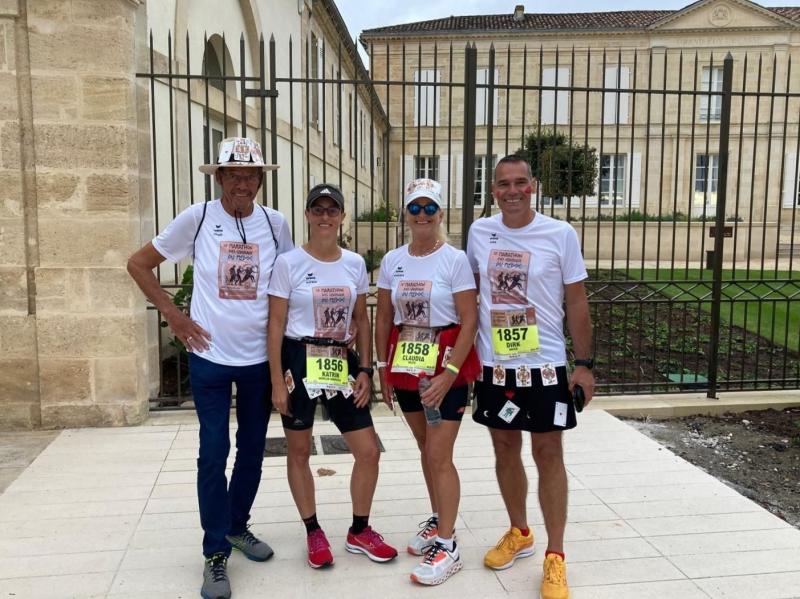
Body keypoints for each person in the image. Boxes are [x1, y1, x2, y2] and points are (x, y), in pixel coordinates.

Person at [127, 137, 293, 599]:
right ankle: (215, 553)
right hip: (210, 358)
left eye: (251, 176)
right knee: (213, 451)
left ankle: (237, 526)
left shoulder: (275, 224)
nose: (243, 183)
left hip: (259, 360)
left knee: (253, 451)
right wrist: (174, 316)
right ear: (219, 177)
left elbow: (288, 286)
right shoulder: (197, 218)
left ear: (261, 181)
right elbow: (138, 264)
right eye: (234, 175)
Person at [465, 154, 595, 599]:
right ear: (493, 190)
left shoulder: (560, 234)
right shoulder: (479, 232)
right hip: (496, 365)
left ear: (533, 186)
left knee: (548, 452)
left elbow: (576, 301)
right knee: (504, 448)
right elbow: (469, 297)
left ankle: (555, 555)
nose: (513, 191)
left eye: (520, 182)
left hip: (545, 365)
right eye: (504, 184)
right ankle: (520, 531)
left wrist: (584, 364)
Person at [267, 184, 398, 570]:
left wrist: (366, 369)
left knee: (368, 451)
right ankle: (313, 531)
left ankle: (360, 530)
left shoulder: (354, 264)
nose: (325, 216)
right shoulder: (288, 263)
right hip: (299, 357)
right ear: (307, 214)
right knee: (299, 451)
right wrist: (276, 381)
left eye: (332, 210)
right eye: (318, 209)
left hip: (340, 359)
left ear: (342, 217)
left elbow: (362, 320)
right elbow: (275, 324)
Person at [374, 178, 480, 585]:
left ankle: (449, 547)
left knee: (439, 454)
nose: (422, 215)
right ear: (405, 214)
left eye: (429, 208)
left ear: (440, 214)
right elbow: (385, 318)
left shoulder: (454, 260)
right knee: (425, 447)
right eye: (415, 208)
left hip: (445, 363)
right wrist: (382, 367)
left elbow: (469, 320)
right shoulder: (393, 260)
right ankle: (439, 518)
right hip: (406, 361)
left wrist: (450, 374)